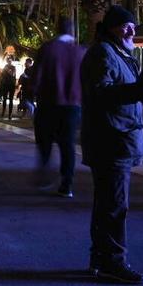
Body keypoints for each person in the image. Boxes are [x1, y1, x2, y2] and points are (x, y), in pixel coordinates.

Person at [80, 5, 143, 284]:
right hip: (112, 140)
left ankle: (101, 257)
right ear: (111, 28)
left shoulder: (119, 53)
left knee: (108, 203)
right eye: (125, 26)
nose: (132, 30)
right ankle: (113, 261)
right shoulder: (104, 53)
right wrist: (140, 90)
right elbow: (102, 92)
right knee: (115, 205)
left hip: (118, 140)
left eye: (133, 26)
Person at [31, 17, 85, 197]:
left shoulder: (47, 49)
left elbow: (37, 77)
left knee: (44, 141)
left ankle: (45, 172)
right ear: (72, 31)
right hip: (72, 107)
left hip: (49, 104)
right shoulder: (80, 52)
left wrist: (34, 93)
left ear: (56, 28)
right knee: (67, 145)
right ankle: (67, 183)